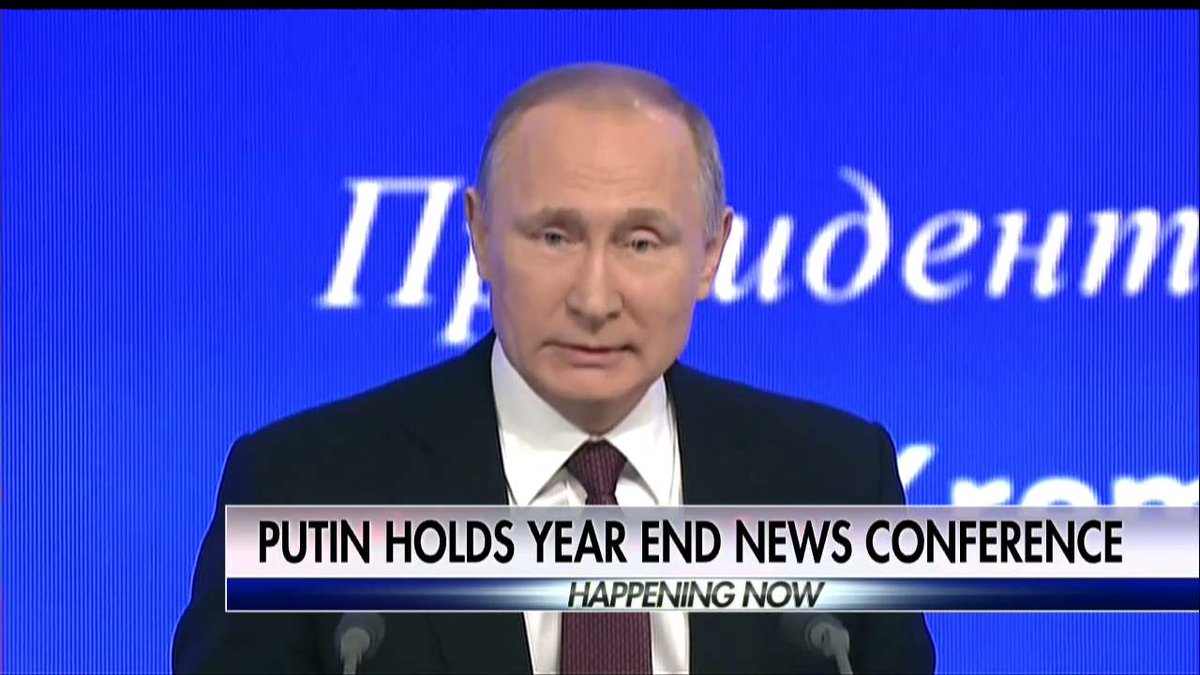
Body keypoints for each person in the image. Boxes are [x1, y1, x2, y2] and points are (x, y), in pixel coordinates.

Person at [173, 61, 936, 674]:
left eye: (641, 242)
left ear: (711, 254)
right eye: (554, 237)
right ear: (479, 235)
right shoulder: (301, 485)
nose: (594, 298)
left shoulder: (835, 478)